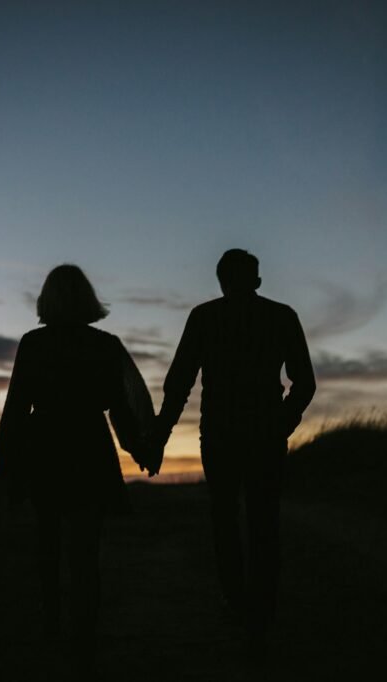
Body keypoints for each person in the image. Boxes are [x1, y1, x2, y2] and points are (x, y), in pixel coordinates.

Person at [0, 264, 158, 677]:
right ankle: (83, 637)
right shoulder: (105, 345)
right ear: (88, 299)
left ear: (47, 300)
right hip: (88, 447)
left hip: (44, 446)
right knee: (85, 552)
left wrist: (6, 460)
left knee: (48, 544)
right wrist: (140, 447)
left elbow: (16, 408)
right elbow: (121, 408)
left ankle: (53, 627)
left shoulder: (33, 344)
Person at [154, 248, 315, 656]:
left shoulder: (206, 317)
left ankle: (242, 604)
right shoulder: (280, 316)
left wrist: (159, 436)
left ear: (222, 280)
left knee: (226, 519)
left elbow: (178, 385)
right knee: (263, 521)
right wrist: (281, 423)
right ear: (256, 281)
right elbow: (305, 383)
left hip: (225, 436)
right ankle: (259, 610)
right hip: (259, 436)